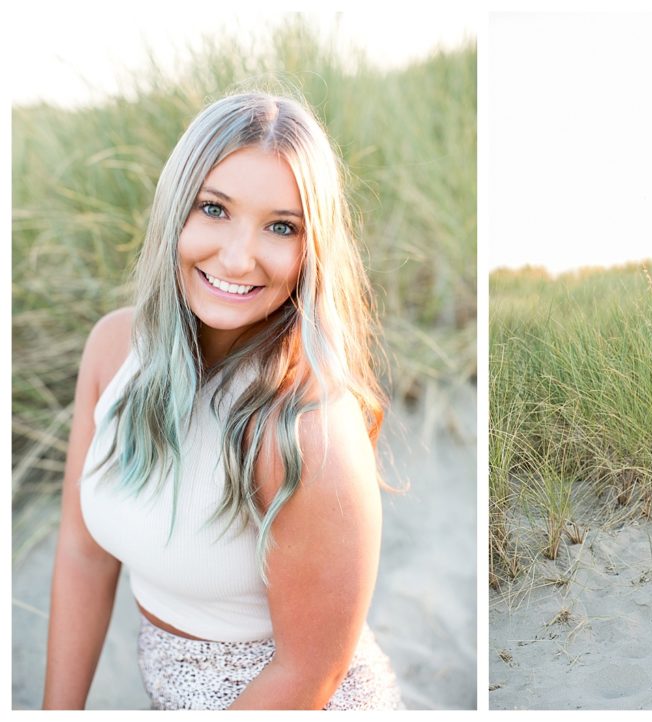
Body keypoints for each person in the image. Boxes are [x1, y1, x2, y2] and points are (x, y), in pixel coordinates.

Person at [43, 92, 403, 710]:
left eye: (282, 226)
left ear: (310, 249)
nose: (238, 257)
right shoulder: (112, 349)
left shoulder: (306, 427)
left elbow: (304, 676)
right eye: (214, 208)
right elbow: (83, 554)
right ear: (175, 209)